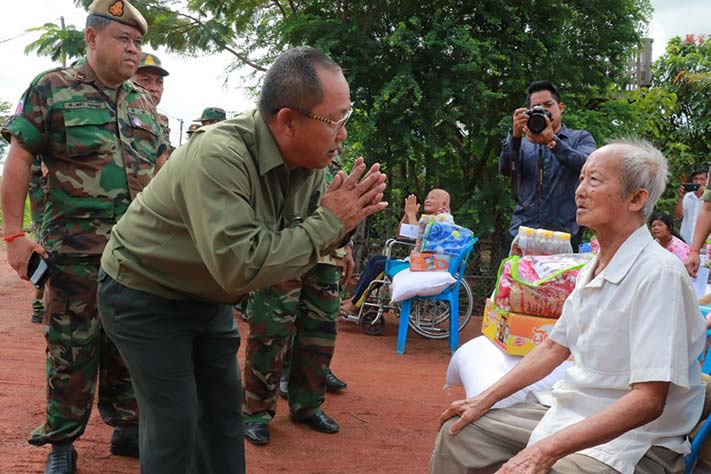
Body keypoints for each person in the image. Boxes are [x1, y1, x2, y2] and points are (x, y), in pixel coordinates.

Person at [95, 46, 387, 474]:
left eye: (346, 117)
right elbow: (241, 266)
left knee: (222, 416)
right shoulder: (219, 155)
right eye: (335, 120)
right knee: (174, 425)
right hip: (142, 290)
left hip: (206, 294)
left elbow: (299, 235)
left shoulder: (308, 163)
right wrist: (329, 223)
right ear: (288, 120)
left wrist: (340, 223)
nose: (342, 134)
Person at [431, 139, 705, 474]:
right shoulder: (593, 267)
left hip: (634, 439)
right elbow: (553, 347)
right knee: (461, 432)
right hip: (571, 411)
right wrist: (482, 400)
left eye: (595, 180)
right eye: (581, 178)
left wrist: (545, 451)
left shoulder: (659, 273)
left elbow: (648, 401)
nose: (580, 191)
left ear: (636, 199)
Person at [0, 1, 170, 473]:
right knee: (71, 349)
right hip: (74, 254)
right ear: (92, 38)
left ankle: (127, 426)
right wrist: (14, 235)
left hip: (136, 256)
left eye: (138, 42)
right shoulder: (52, 89)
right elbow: (19, 158)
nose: (133, 50)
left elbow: (164, 173)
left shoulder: (143, 103)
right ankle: (62, 443)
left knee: (130, 344)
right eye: (123, 39)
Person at [242, 157, 354, 446]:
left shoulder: (333, 153)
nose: (339, 135)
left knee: (319, 334)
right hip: (282, 248)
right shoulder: (278, 146)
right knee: (270, 332)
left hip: (326, 255)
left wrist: (347, 248)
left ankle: (307, 406)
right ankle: (255, 412)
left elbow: (338, 199)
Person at [499, 80, 596, 251]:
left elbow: (588, 166)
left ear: (561, 107)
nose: (543, 110)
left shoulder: (580, 138)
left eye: (548, 105)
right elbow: (505, 169)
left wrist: (553, 142)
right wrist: (514, 137)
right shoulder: (522, 143)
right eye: (536, 107)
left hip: (564, 236)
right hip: (523, 233)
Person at [340, 188, 450, 316]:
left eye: (433, 198)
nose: (428, 200)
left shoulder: (443, 220)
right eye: (428, 197)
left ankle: (355, 305)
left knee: (381, 265)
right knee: (376, 259)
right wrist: (407, 215)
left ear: (444, 204)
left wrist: (411, 215)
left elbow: (419, 238)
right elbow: (401, 234)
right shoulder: (429, 219)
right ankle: (356, 298)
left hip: (429, 265)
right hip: (420, 262)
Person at [130, 51, 171, 146]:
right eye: (145, 80)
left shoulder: (162, 120)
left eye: (159, 82)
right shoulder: (114, 111)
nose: (154, 88)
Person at [675, 167, 708, 245]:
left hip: (706, 242)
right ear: (692, 180)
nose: (698, 182)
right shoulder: (687, 196)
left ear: (707, 180)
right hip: (686, 239)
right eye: (696, 179)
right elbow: (678, 216)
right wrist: (680, 198)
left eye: (702, 179)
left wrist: (707, 193)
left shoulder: (709, 197)